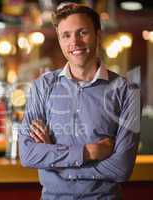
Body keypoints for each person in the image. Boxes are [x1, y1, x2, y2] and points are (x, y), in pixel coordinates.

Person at [19, 3, 140, 199]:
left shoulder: (126, 91)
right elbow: (28, 154)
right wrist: (87, 152)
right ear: (59, 39)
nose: (74, 42)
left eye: (82, 32)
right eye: (66, 35)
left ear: (98, 36)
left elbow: (121, 168)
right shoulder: (42, 87)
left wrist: (59, 166)